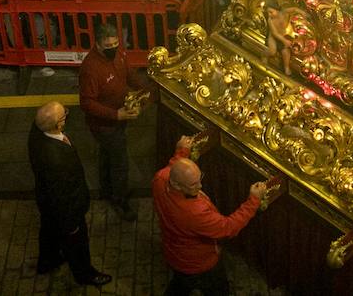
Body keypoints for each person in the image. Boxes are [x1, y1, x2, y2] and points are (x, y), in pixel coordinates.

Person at [152, 136, 267, 296]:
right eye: (193, 185)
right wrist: (253, 201)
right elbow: (228, 228)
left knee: (180, 283)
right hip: (199, 264)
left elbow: (175, 168)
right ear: (178, 185)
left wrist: (182, 151)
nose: (200, 186)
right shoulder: (194, 212)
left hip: (174, 253)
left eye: (200, 179)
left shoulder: (160, 179)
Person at [27, 101, 112, 287]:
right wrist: (71, 224)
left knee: (49, 230)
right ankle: (84, 274)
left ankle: (47, 261)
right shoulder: (55, 159)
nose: (67, 113)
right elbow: (62, 195)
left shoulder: (37, 133)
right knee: (77, 245)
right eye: (64, 114)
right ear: (58, 125)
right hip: (67, 211)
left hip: (46, 200)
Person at [77, 21, 150, 222]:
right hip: (105, 126)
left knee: (107, 156)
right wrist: (115, 115)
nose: (113, 49)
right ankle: (120, 200)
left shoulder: (119, 55)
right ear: (97, 44)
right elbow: (86, 103)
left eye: (116, 44)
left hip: (119, 115)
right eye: (108, 46)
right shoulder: (90, 69)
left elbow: (129, 75)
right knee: (120, 162)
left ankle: (106, 188)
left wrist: (145, 89)